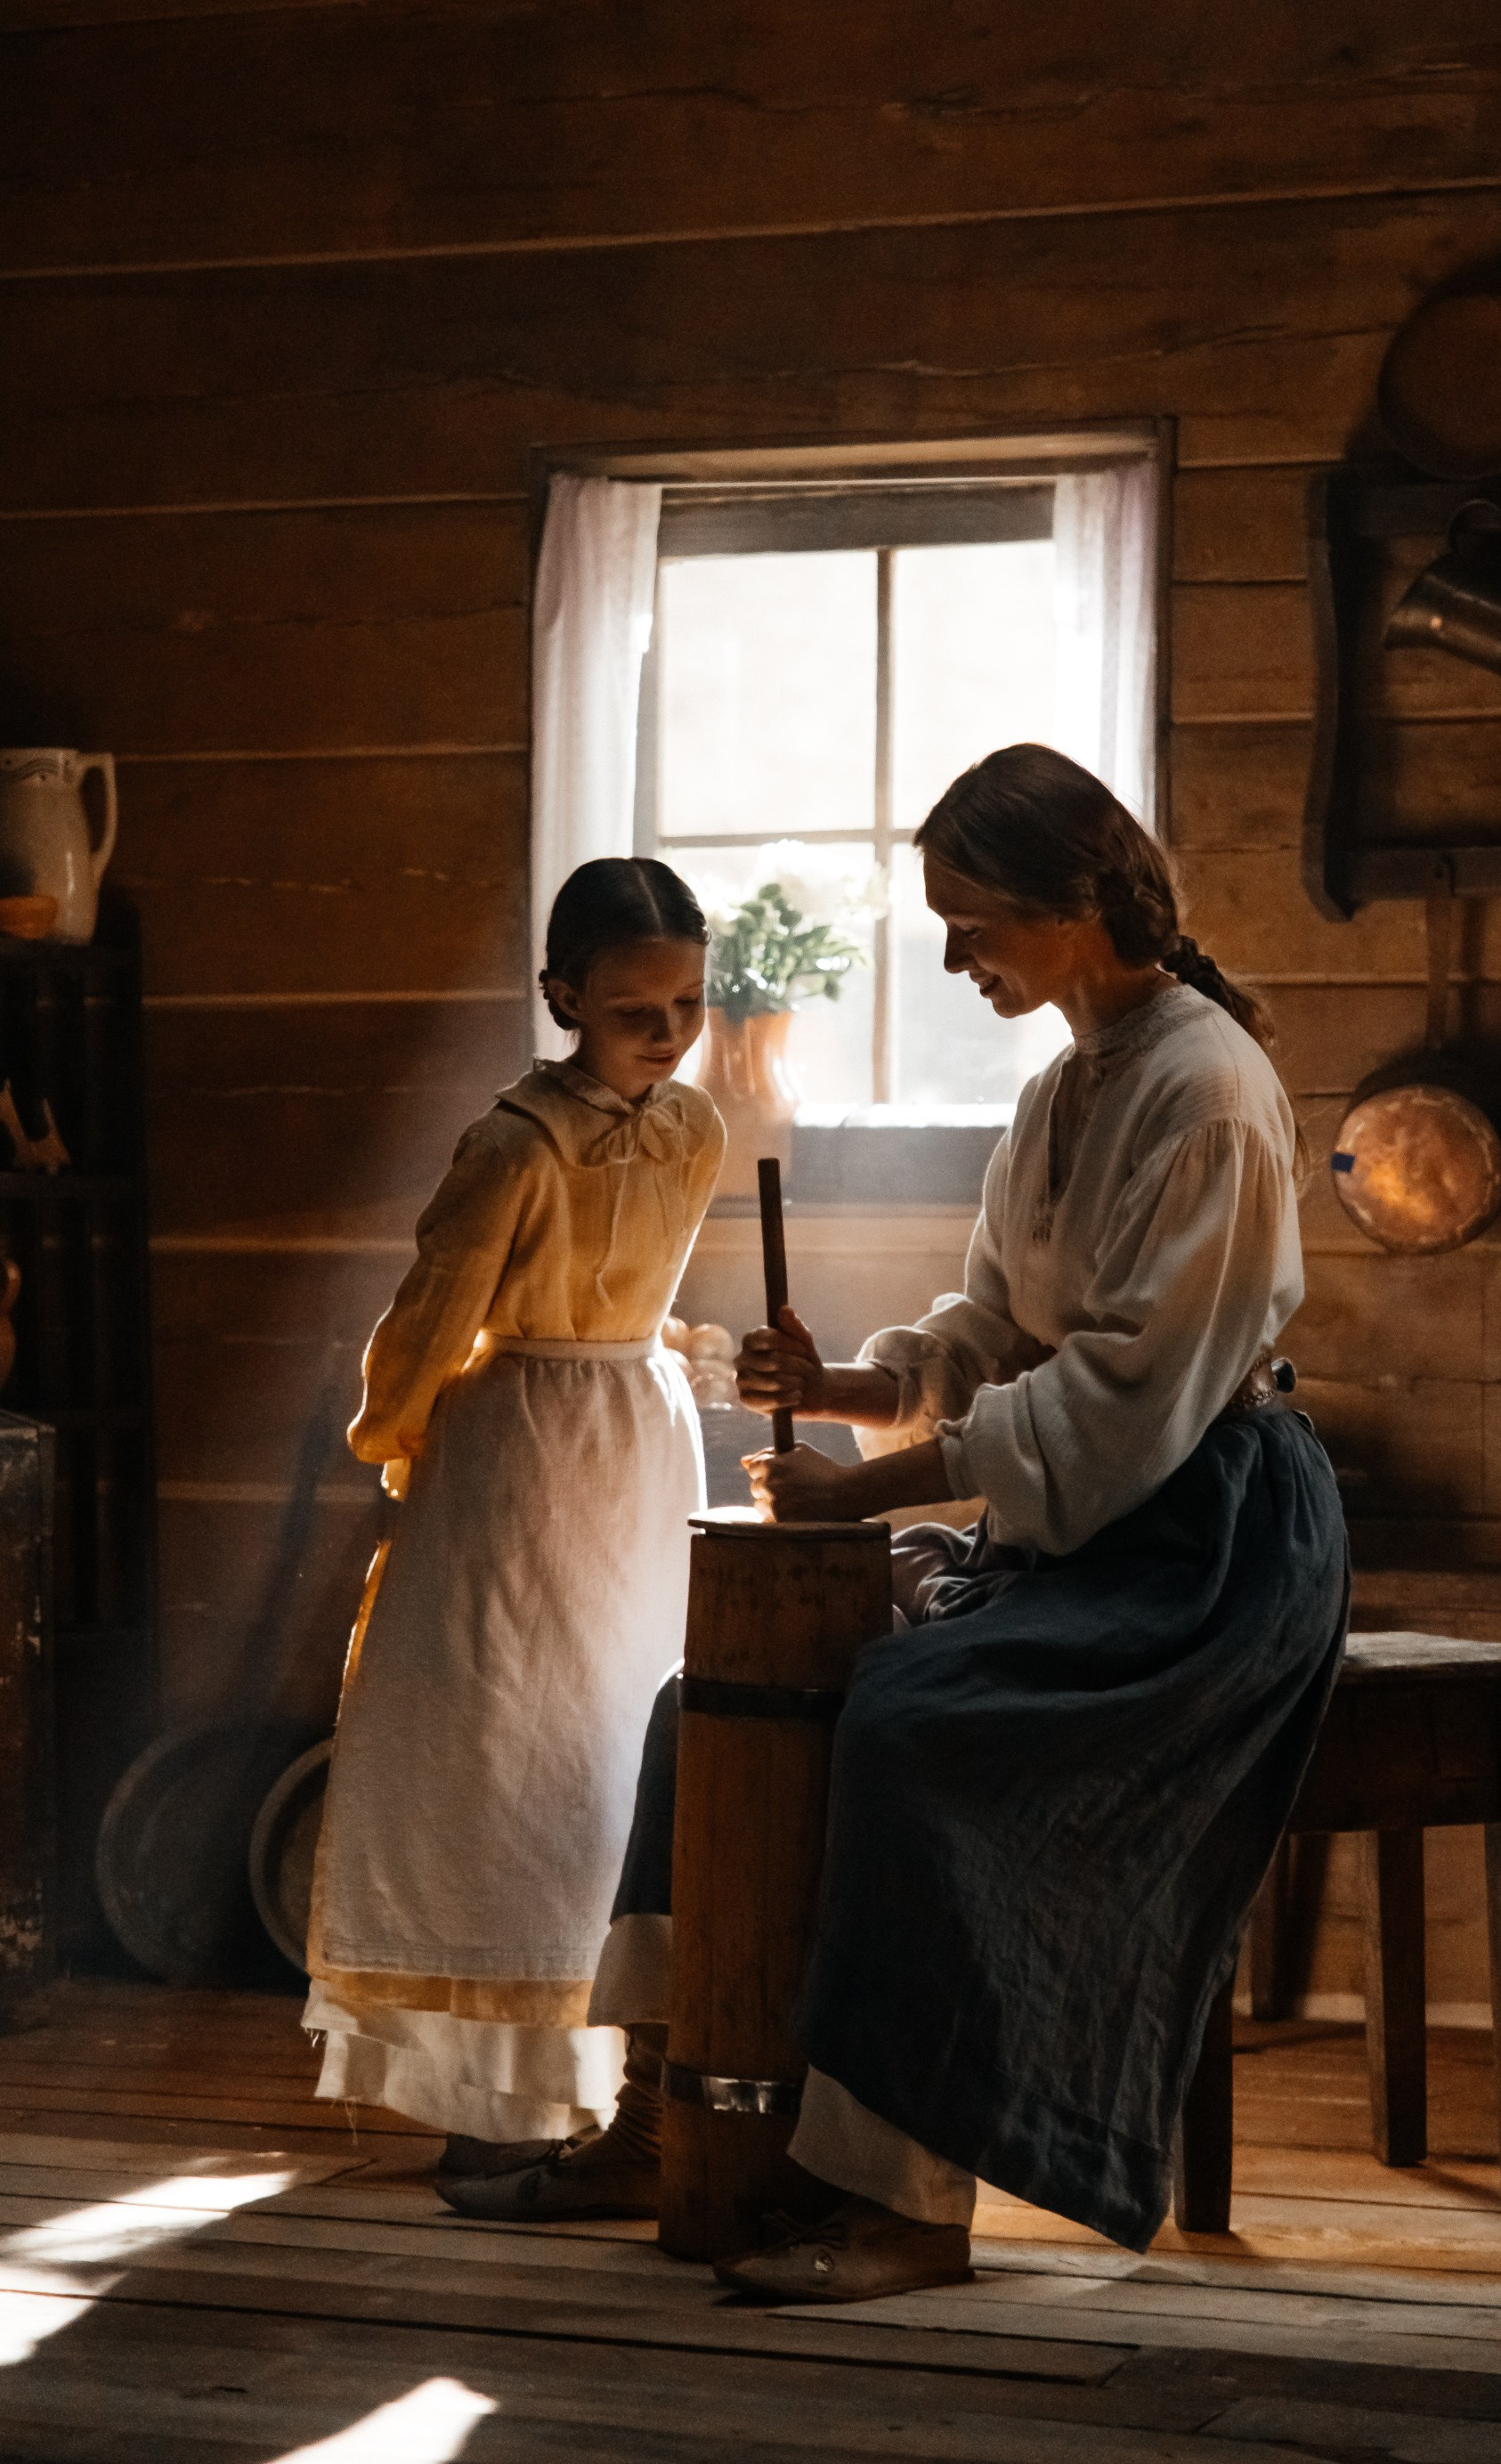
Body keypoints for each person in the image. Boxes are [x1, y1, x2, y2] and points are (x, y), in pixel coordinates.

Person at [448, 746, 1347, 2305]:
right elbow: (995, 1329)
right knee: (715, 1706)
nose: (955, 959)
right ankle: (671, 2114)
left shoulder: (1206, 1091)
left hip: (1211, 1544)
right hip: (1092, 1524)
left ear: (1078, 905)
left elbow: (1134, 1395)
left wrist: (871, 1488)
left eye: (975, 924)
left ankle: (906, 2200)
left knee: (917, 1727)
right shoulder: (1071, 1085)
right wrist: (855, 1383)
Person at [303, 858, 725, 2180]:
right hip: (522, 1451)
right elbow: (437, 1311)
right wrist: (398, 1436)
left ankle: (609, 2064)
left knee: (613, 1733)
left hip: (639, 1444)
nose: (666, 1035)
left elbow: (647, 1284)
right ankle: (492, 2096)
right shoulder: (511, 1144)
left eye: (689, 1005)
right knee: (501, 1741)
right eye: (632, 1011)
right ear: (563, 997)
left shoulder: (695, 1131)